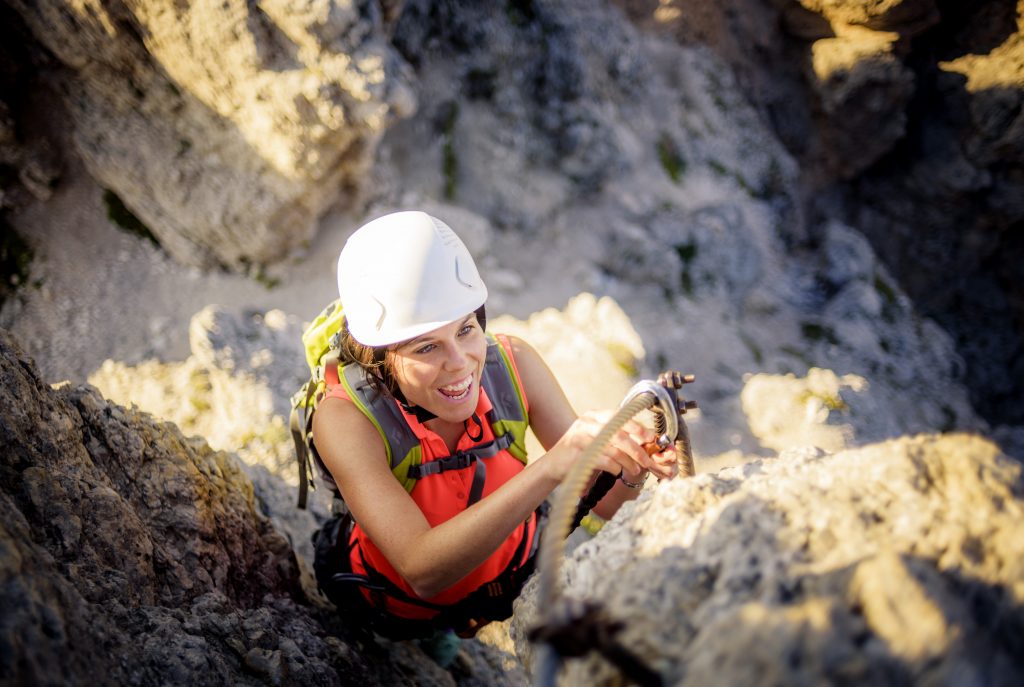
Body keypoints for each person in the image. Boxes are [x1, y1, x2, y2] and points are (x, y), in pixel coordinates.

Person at [310, 210, 678, 661]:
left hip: (501, 586)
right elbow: (421, 570)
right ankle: (431, 639)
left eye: (466, 329)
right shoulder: (345, 419)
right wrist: (552, 467)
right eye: (426, 346)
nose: (461, 362)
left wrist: (634, 465)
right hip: (388, 606)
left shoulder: (514, 365)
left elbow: (606, 502)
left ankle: (451, 632)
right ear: (380, 358)